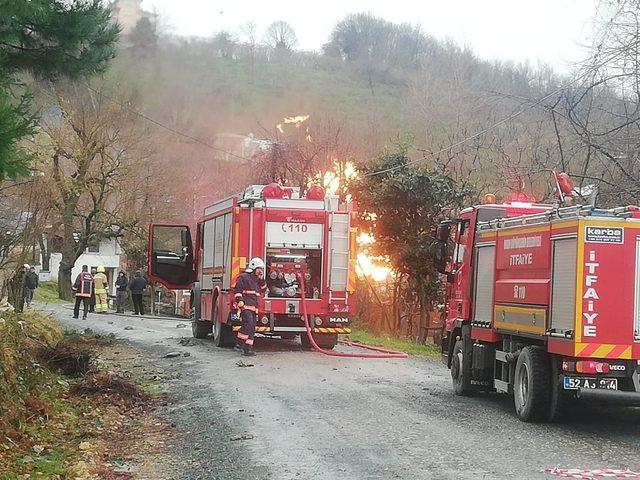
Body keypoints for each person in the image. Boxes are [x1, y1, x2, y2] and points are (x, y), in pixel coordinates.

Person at [233, 257, 267, 356]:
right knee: (248, 324)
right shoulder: (243, 277)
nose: (261, 271)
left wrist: (262, 280)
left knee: (252, 328)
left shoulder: (258, 280)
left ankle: (248, 348)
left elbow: (264, 290)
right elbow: (237, 291)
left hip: (253, 308)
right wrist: (240, 301)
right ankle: (239, 343)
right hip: (245, 306)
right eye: (259, 269)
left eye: (262, 269)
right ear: (253, 268)